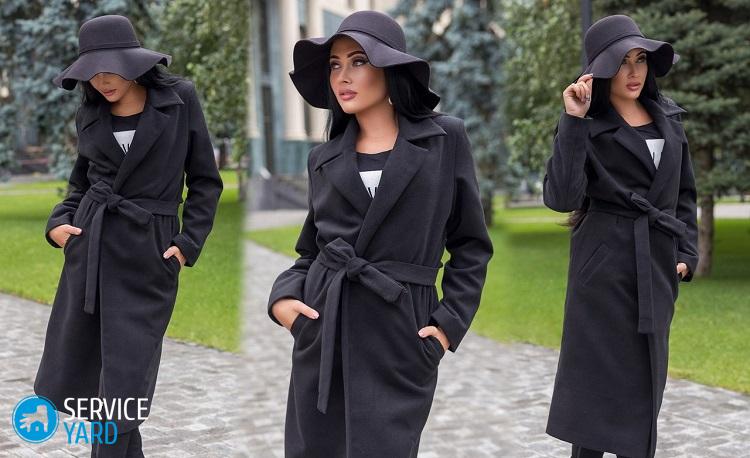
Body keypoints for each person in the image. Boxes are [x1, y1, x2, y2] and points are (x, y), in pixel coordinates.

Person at [266, 10, 493, 458]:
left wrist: (446, 328)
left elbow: (470, 245)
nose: (342, 76)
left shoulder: (444, 140)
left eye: (358, 61)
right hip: (324, 334)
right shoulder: (322, 159)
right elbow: (311, 251)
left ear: (389, 69)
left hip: (401, 338)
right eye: (334, 64)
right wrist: (283, 301)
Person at [34, 14, 223, 457]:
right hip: (92, 253)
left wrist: (186, 244)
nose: (102, 81)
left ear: (134, 63)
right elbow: (80, 184)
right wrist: (59, 226)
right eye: (92, 72)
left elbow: (205, 180)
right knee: (101, 384)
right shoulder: (89, 113)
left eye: (110, 69)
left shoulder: (179, 99)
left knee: (125, 381)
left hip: (149, 255)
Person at [543, 14, 699, 458]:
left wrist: (686, 253)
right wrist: (573, 121)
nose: (634, 72)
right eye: (622, 62)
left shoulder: (669, 119)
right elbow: (561, 196)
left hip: (656, 264)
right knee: (596, 388)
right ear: (601, 70)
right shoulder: (586, 124)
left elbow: (683, 194)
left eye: (640, 60)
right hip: (602, 268)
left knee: (645, 383)